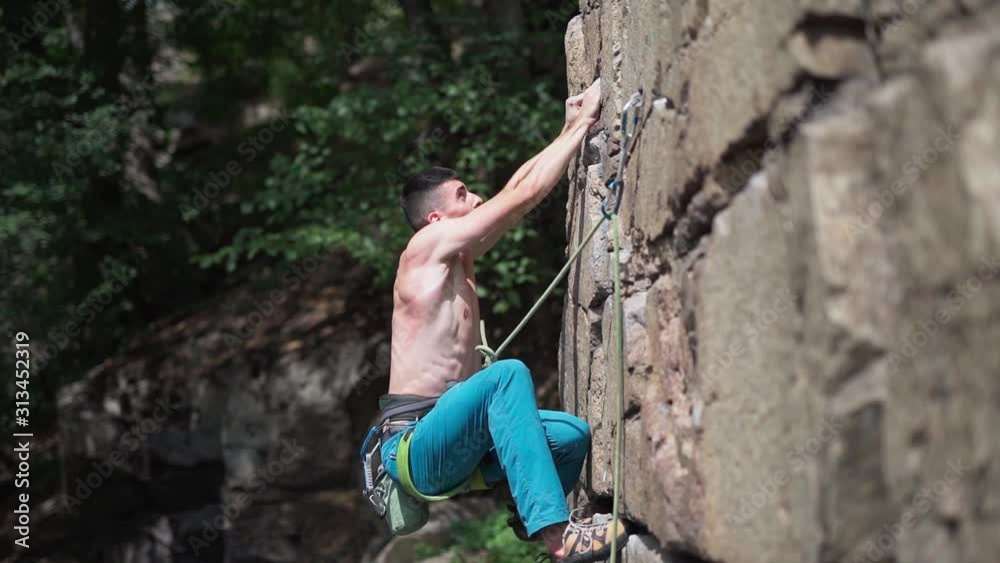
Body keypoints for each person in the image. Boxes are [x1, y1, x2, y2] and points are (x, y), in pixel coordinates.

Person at [380, 78, 627, 562]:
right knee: (505, 375)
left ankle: (530, 523)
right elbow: (522, 195)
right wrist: (583, 126)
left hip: (460, 443)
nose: (476, 200)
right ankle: (560, 540)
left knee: (571, 436)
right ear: (435, 220)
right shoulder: (424, 249)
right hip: (416, 447)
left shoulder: (456, 258)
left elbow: (516, 195)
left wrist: (568, 129)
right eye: (462, 194)